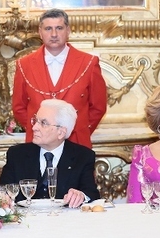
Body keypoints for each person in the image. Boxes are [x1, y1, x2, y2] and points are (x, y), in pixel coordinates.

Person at [12, 8, 107, 149]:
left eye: (59, 28)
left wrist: (75, 130)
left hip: (77, 144)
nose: (54, 34)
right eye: (48, 28)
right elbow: (19, 107)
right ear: (40, 32)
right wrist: (42, 131)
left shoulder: (89, 63)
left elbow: (98, 107)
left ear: (68, 31)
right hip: (38, 146)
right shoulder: (24, 65)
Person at [0, 99, 100, 208]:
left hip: (65, 221)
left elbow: (92, 193)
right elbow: (2, 190)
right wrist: (2, 197)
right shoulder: (17, 154)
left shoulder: (83, 156)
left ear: (61, 132)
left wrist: (81, 196)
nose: (34, 127)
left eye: (43, 123)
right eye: (35, 121)